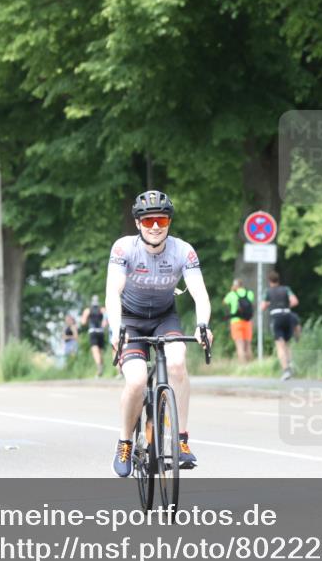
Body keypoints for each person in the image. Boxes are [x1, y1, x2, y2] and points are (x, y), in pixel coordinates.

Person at [106, 190, 212, 477]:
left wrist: (203, 325)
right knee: (137, 379)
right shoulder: (123, 248)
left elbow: (200, 294)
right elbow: (113, 292)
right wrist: (117, 331)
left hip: (165, 318)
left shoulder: (183, 250)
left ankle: (182, 441)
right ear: (139, 223)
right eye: (149, 219)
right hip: (130, 320)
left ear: (169, 222)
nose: (155, 226)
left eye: (162, 219)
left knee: (177, 363)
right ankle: (125, 441)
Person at [260, 271, 299, 380]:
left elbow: (262, 307)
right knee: (287, 343)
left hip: (276, 317)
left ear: (269, 281)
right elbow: (295, 301)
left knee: (280, 345)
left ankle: (286, 370)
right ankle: (290, 363)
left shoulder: (268, 291)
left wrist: (269, 304)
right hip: (287, 315)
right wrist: (286, 305)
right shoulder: (286, 289)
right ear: (278, 280)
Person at [223, 279, 254, 364]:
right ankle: (251, 367)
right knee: (247, 346)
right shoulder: (249, 293)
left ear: (235, 285)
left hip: (236, 322)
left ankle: (243, 367)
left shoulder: (232, 294)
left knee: (239, 346)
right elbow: (251, 302)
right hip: (247, 322)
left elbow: (224, 302)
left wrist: (232, 291)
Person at [81, 295, 108, 377]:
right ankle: (101, 367)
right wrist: (104, 322)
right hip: (101, 332)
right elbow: (107, 318)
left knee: (95, 351)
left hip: (92, 332)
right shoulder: (102, 309)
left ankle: (99, 367)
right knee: (100, 351)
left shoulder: (87, 310)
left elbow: (83, 322)